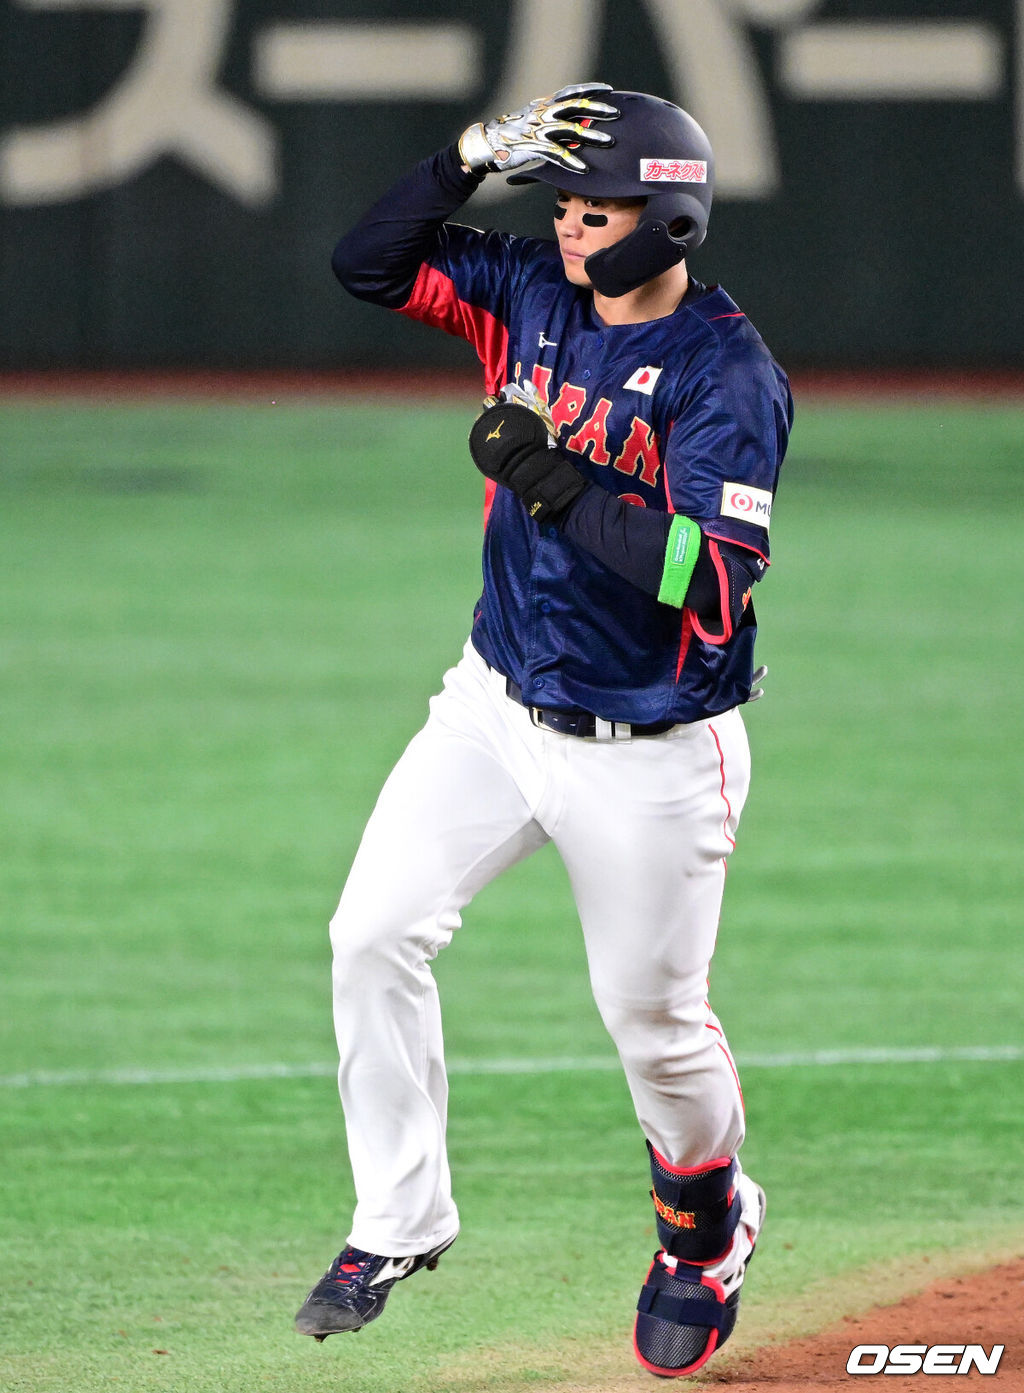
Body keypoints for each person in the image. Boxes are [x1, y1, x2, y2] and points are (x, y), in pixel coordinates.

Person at [295, 84, 793, 1379]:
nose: (574, 227)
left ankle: (705, 1225)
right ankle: (399, 1216)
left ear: (669, 214)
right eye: (565, 201)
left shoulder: (728, 374)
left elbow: (709, 574)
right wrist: (464, 157)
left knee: (655, 1024)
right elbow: (367, 264)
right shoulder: (527, 293)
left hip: (657, 747)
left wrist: (555, 483)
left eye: (601, 205)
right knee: (370, 930)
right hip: (496, 705)